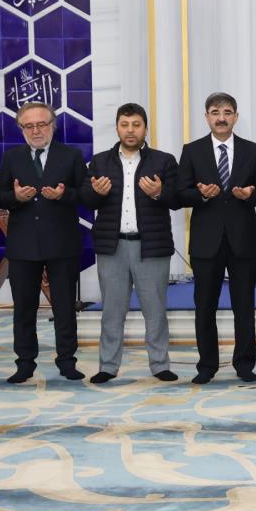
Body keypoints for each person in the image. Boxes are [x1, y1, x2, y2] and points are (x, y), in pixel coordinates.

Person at [81, 103, 181, 384]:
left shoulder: (163, 161)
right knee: (112, 311)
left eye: (136, 125)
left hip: (151, 247)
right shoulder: (100, 162)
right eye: (124, 125)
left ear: (145, 128)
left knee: (155, 310)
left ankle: (160, 364)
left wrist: (160, 192)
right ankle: (108, 366)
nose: (130, 130)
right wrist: (97, 194)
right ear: (117, 127)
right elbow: (86, 199)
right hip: (112, 247)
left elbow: (178, 198)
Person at [177, 92, 256, 384]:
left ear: (236, 116)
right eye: (215, 112)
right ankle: (207, 366)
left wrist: (249, 195)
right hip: (206, 242)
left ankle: (244, 364)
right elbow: (180, 193)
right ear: (207, 117)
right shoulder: (192, 151)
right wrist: (202, 195)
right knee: (205, 307)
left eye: (227, 112)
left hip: (243, 240)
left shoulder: (253, 151)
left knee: (244, 306)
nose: (221, 118)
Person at [0, 101, 87, 383]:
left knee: (64, 308)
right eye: (29, 126)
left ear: (53, 126)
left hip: (62, 244)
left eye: (41, 124)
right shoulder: (11, 157)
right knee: (24, 309)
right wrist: (14, 198)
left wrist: (64, 195)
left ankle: (67, 361)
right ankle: (25, 363)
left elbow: (87, 195)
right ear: (21, 129)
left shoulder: (71, 156)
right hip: (23, 246)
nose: (36, 130)